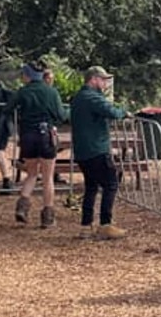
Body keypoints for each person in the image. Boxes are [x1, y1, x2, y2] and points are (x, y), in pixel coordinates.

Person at [70, 66, 129, 240]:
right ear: (93, 79)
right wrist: (124, 111)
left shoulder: (79, 98)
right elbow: (112, 112)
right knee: (111, 183)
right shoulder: (92, 98)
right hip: (96, 149)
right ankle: (105, 224)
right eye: (102, 79)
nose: (105, 82)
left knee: (91, 187)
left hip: (82, 151)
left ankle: (86, 226)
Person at [12, 63, 69, 228]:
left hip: (28, 136)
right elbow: (61, 115)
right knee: (47, 177)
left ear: (28, 76)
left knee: (31, 173)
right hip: (46, 136)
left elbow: (8, 108)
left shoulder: (23, 91)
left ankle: (22, 206)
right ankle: (47, 217)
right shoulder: (51, 91)